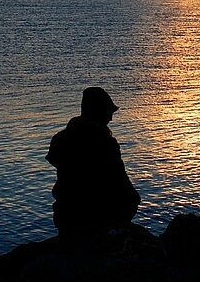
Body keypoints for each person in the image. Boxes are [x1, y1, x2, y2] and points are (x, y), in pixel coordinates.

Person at [45, 87, 140, 237]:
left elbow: (54, 160)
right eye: (109, 113)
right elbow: (120, 180)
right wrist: (133, 199)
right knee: (131, 200)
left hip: (65, 214)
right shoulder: (105, 143)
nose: (111, 118)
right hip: (94, 215)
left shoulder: (60, 139)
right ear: (99, 112)